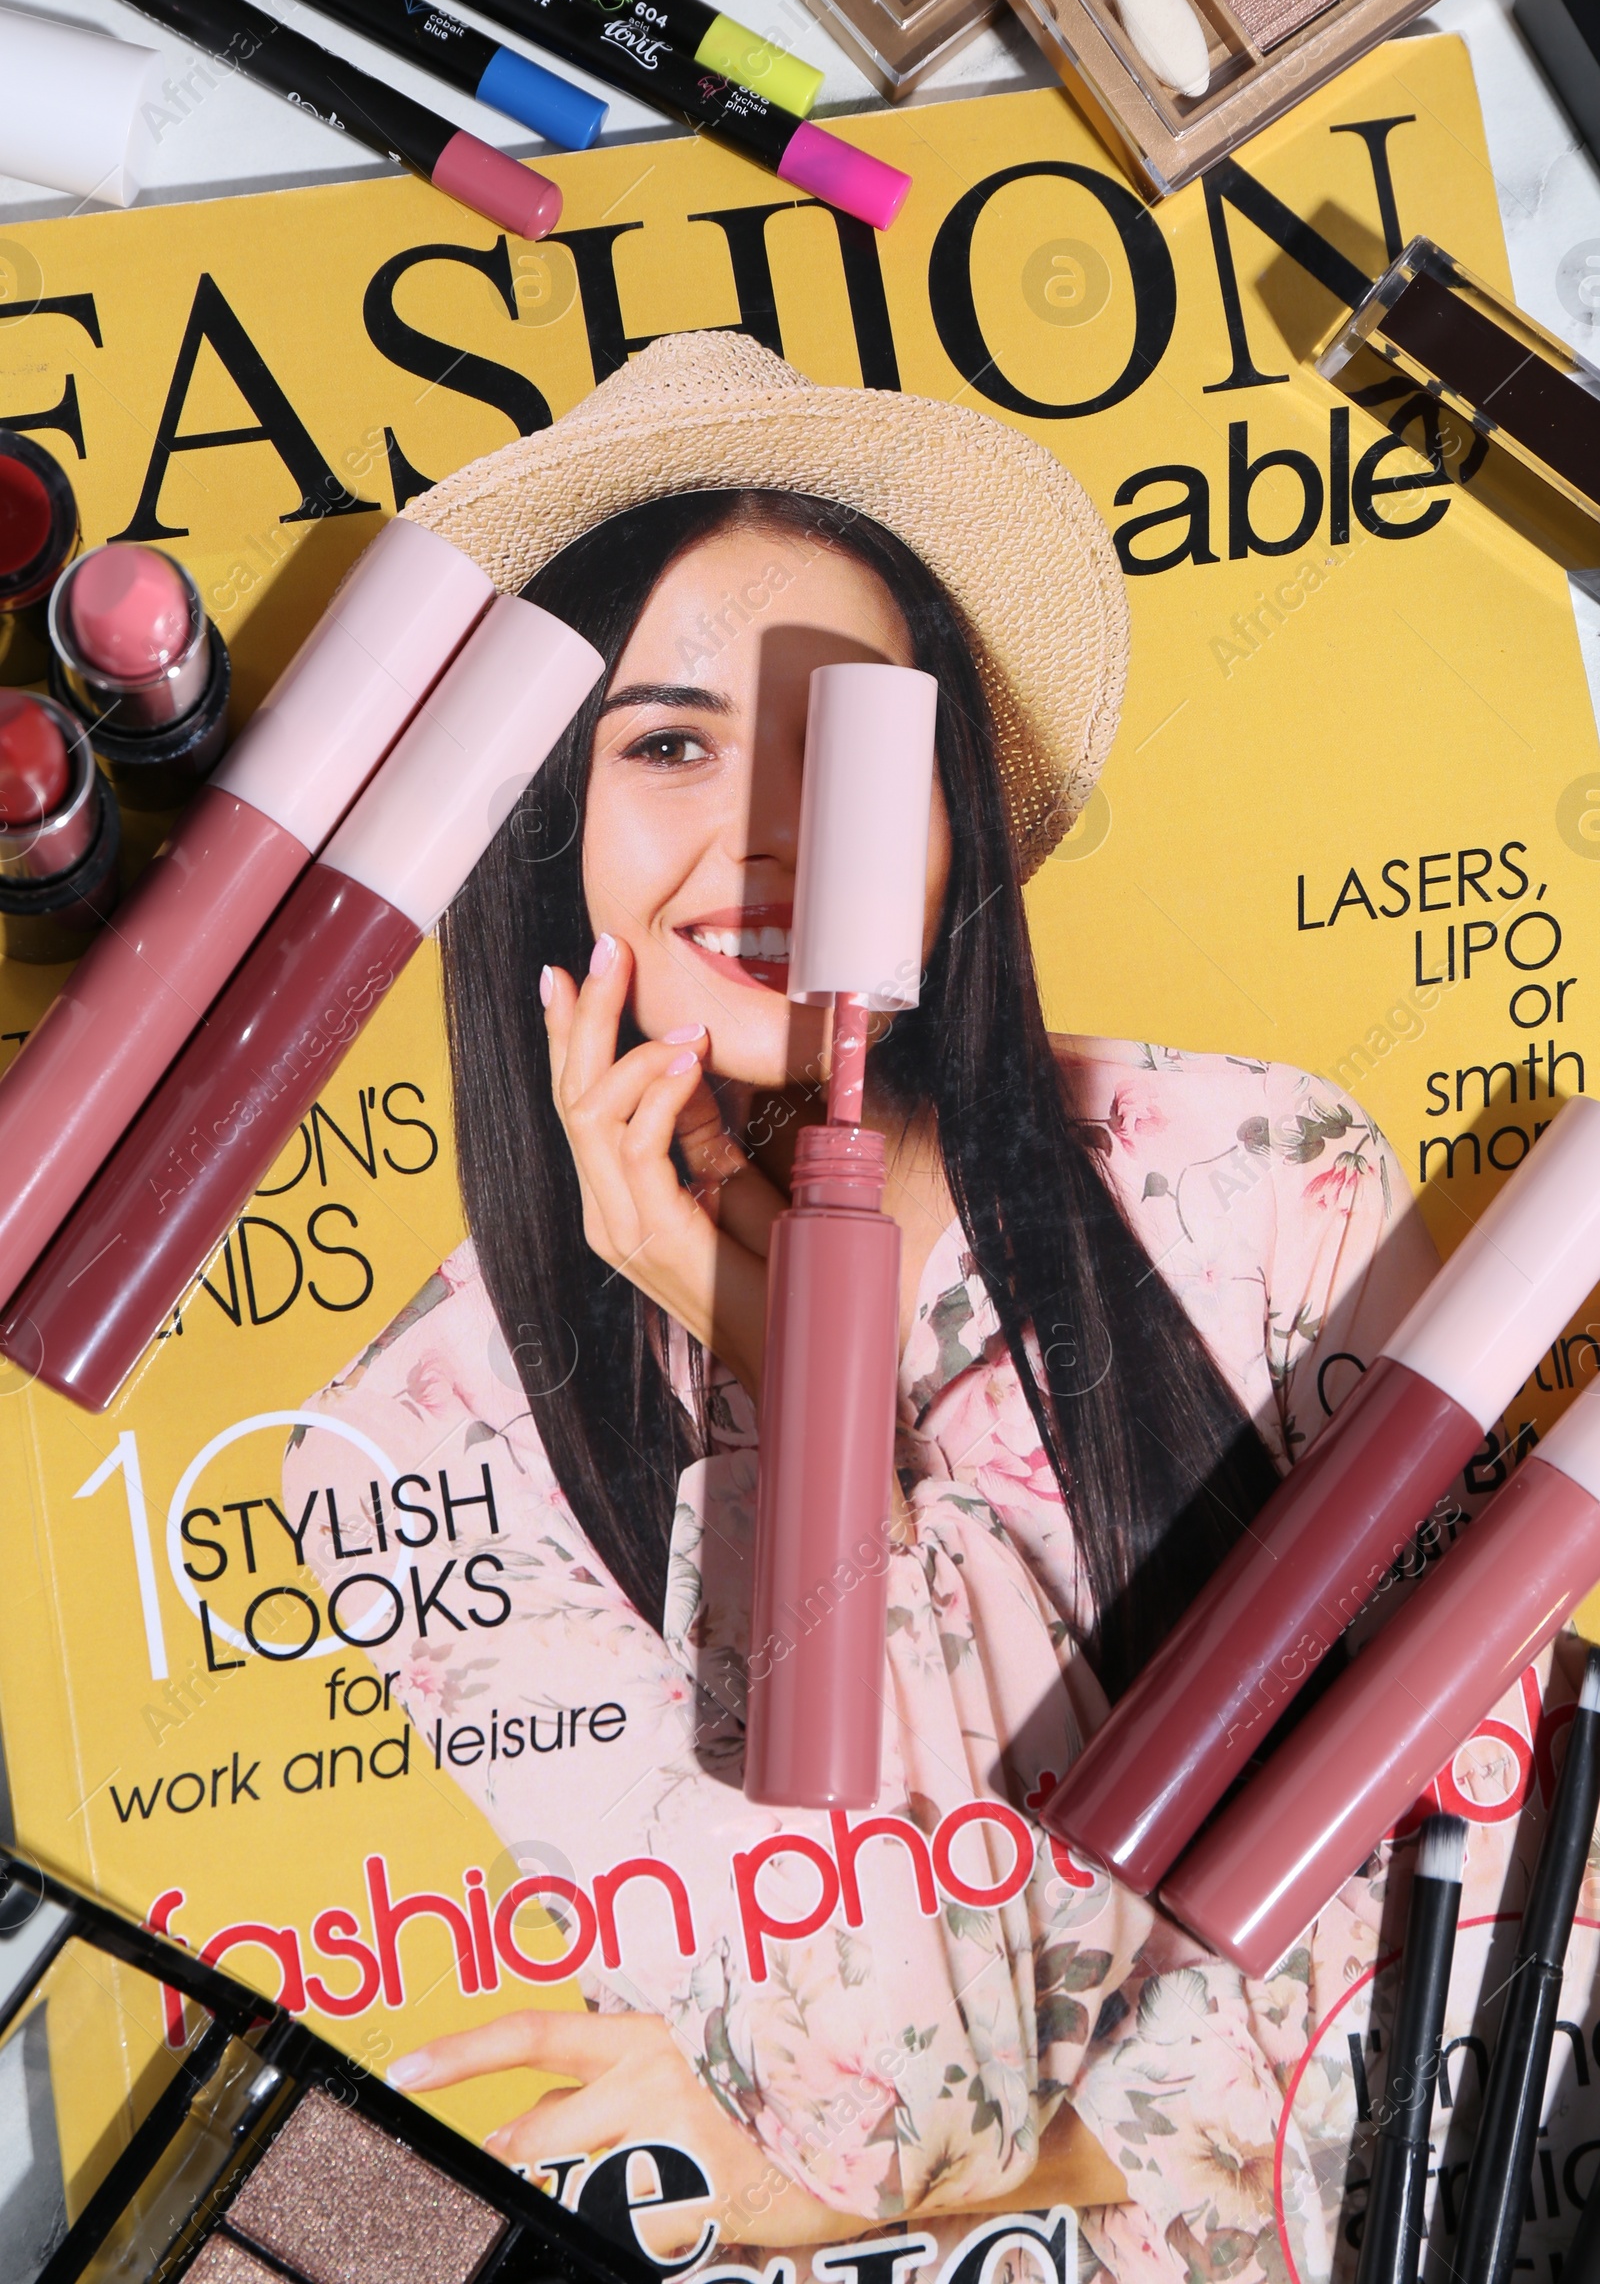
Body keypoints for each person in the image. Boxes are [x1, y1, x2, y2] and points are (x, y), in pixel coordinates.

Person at [286, 333, 1445, 2283]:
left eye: (838, 751)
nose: (759, 830)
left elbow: (1467, 1887)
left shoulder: (1258, 1176)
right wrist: (788, 1383)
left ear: (943, 828)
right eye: (663, 743)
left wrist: (997, 2143)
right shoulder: (420, 1449)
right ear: (537, 819)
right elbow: (876, 2100)